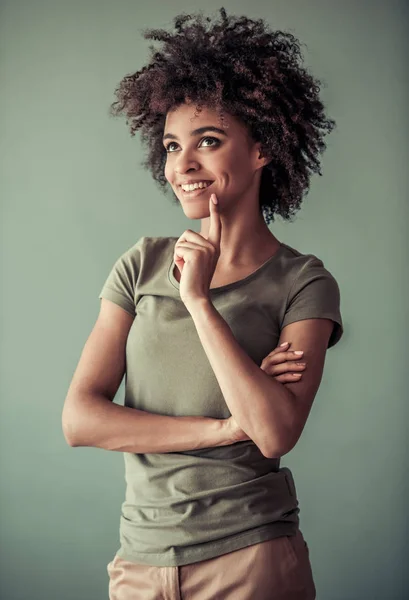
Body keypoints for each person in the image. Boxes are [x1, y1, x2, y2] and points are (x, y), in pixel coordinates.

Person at [62, 7, 343, 599]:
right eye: (170, 146)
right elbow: (80, 419)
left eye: (207, 142)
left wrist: (198, 301)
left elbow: (273, 432)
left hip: (251, 558)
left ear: (262, 147)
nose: (182, 166)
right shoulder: (141, 263)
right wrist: (221, 429)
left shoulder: (304, 283)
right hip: (139, 560)